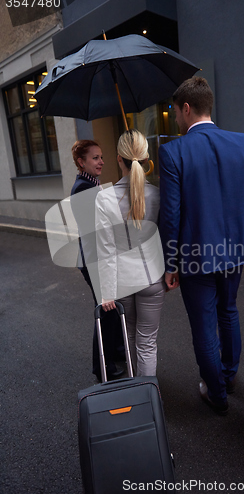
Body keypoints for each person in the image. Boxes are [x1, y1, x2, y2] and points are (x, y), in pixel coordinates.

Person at [158, 77, 244, 415]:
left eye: (176, 112)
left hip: (195, 257)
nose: (176, 118)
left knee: (204, 325)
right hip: (236, 252)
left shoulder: (173, 151)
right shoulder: (243, 143)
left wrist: (170, 264)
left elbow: (171, 214)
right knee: (229, 311)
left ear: (187, 108)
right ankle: (230, 376)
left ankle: (217, 394)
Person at [95, 129, 165, 377]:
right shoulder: (157, 195)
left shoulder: (104, 199)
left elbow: (105, 251)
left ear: (118, 158)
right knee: (147, 343)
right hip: (152, 277)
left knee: (131, 338)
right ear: (146, 160)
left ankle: (138, 393)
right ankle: (149, 395)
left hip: (123, 282)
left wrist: (107, 292)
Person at [70, 140, 124, 381]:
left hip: (97, 258)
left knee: (110, 310)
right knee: (106, 310)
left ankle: (115, 352)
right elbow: (96, 231)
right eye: (95, 158)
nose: (101, 161)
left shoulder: (92, 184)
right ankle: (103, 367)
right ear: (81, 162)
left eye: (102, 157)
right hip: (95, 260)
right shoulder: (83, 188)